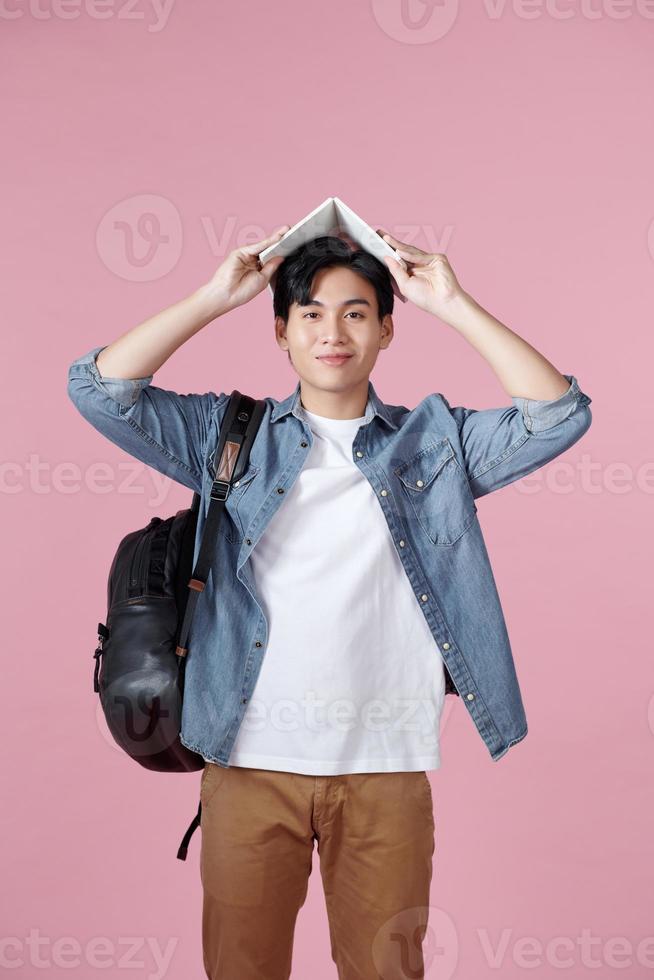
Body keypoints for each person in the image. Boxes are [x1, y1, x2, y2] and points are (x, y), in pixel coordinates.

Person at [67, 224, 592, 980]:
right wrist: (217, 296)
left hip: (385, 767)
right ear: (281, 333)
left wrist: (453, 301)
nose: (332, 331)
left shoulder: (431, 444)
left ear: (385, 329)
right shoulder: (227, 436)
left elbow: (559, 416)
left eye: (354, 312)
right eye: (310, 313)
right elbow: (98, 389)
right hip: (249, 763)